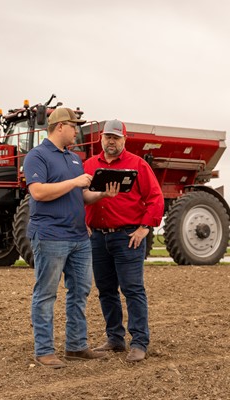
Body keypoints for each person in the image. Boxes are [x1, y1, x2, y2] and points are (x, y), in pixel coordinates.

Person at [23, 107, 118, 369]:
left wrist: (101, 195)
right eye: (74, 126)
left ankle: (76, 346)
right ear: (60, 126)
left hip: (78, 237)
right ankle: (44, 351)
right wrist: (75, 182)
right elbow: (39, 193)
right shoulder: (37, 156)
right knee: (46, 294)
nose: (77, 131)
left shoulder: (74, 158)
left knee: (80, 292)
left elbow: (81, 196)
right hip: (50, 236)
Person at [84, 119, 164, 362]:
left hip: (127, 237)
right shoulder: (88, 165)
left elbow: (155, 197)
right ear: (101, 138)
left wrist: (144, 228)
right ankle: (115, 338)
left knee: (132, 289)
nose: (111, 141)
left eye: (116, 138)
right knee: (106, 290)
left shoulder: (137, 164)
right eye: (108, 136)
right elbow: (78, 197)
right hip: (98, 237)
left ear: (124, 140)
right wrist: (85, 223)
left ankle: (139, 342)